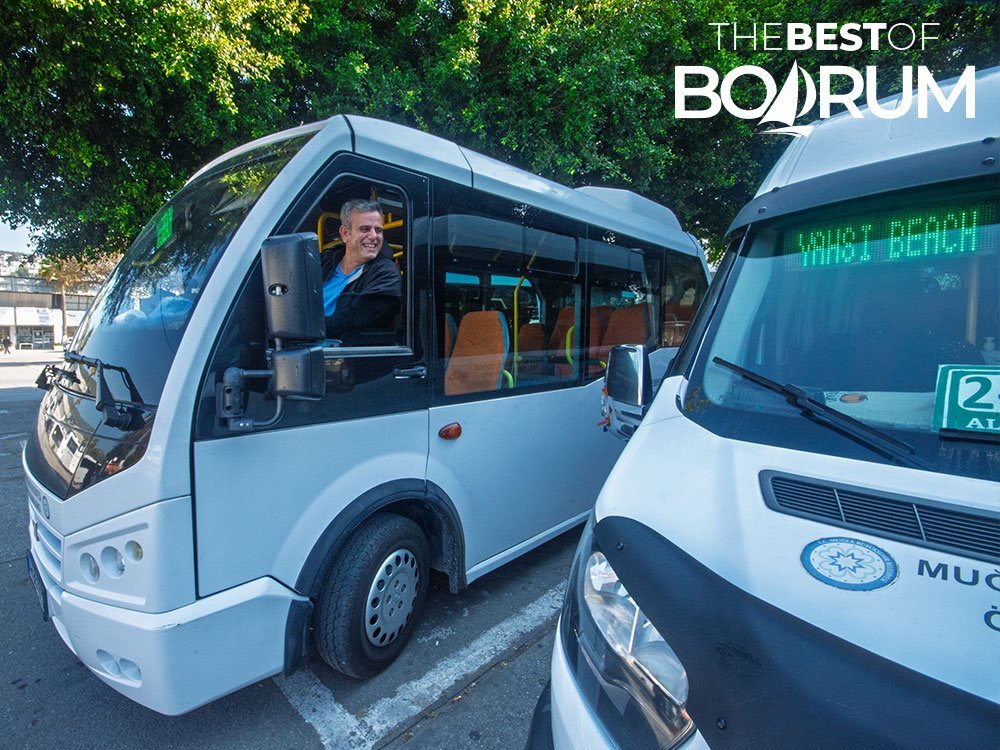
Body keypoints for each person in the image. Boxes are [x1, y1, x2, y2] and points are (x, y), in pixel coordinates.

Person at [322, 199, 402, 344]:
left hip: (340, 360)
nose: (373, 236)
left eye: (378, 230)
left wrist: (303, 328)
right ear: (345, 233)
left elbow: (351, 319)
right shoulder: (324, 262)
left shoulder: (386, 274)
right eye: (365, 229)